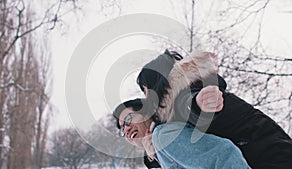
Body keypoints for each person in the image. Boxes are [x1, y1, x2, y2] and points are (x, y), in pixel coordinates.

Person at [136, 49, 292, 169]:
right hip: (265, 156)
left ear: (157, 83)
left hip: (274, 157)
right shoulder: (172, 118)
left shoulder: (187, 94)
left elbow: (190, 107)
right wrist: (153, 158)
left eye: (145, 89)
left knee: (162, 134)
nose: (147, 97)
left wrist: (200, 104)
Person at [113, 98, 251, 169]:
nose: (126, 129)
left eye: (128, 120)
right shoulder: (157, 150)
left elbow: (223, 154)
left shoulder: (164, 135)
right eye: (122, 130)